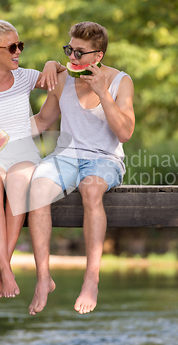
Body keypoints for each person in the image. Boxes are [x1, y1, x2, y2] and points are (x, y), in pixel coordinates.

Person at [28, 21, 135, 315]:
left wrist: (103, 92)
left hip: (105, 158)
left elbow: (125, 133)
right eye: (69, 50)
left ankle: (91, 279)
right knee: (36, 188)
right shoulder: (62, 78)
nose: (72, 58)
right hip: (66, 157)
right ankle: (42, 277)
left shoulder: (120, 81)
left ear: (97, 57)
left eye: (80, 53)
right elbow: (41, 121)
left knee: (90, 188)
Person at [0, 20, 65, 299]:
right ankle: (6, 269)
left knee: (19, 185)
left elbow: (59, 76)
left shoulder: (27, 77)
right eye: (13, 46)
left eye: (21, 45)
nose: (18, 51)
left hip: (24, 153)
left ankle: (1, 271)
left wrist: (53, 62)